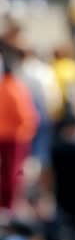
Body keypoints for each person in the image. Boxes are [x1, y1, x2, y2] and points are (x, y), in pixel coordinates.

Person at [0, 53, 38, 209]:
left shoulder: (6, 87)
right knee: (13, 174)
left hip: (6, 136)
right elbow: (27, 116)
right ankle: (8, 205)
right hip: (15, 137)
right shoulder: (15, 88)